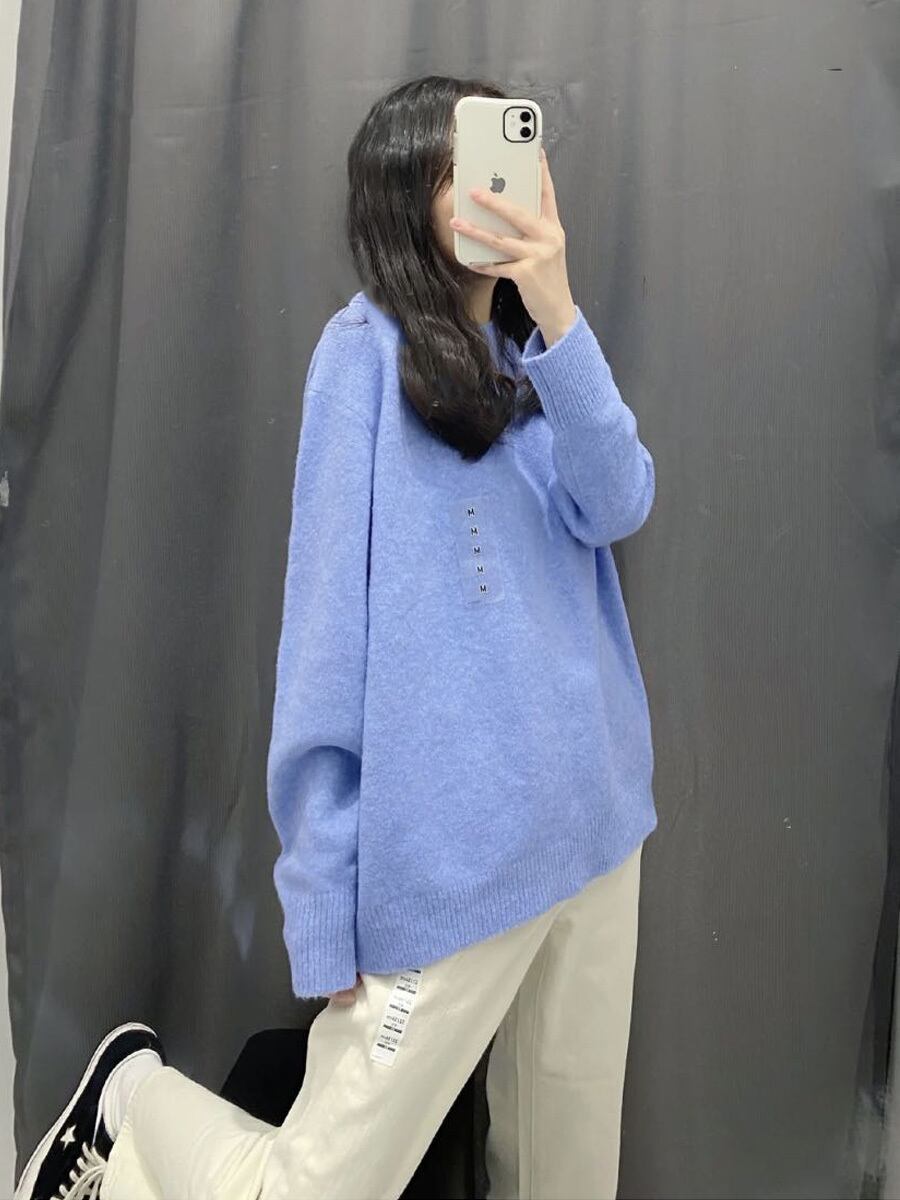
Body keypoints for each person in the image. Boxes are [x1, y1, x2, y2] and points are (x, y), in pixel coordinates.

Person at [15, 73, 657, 1200]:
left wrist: (556, 306)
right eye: (463, 167)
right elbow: (322, 646)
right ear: (407, 192)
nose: (501, 186)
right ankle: (130, 1093)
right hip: (450, 867)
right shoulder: (358, 358)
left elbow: (621, 502)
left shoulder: (539, 361)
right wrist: (321, 902)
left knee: (569, 1180)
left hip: (597, 834)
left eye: (512, 157)